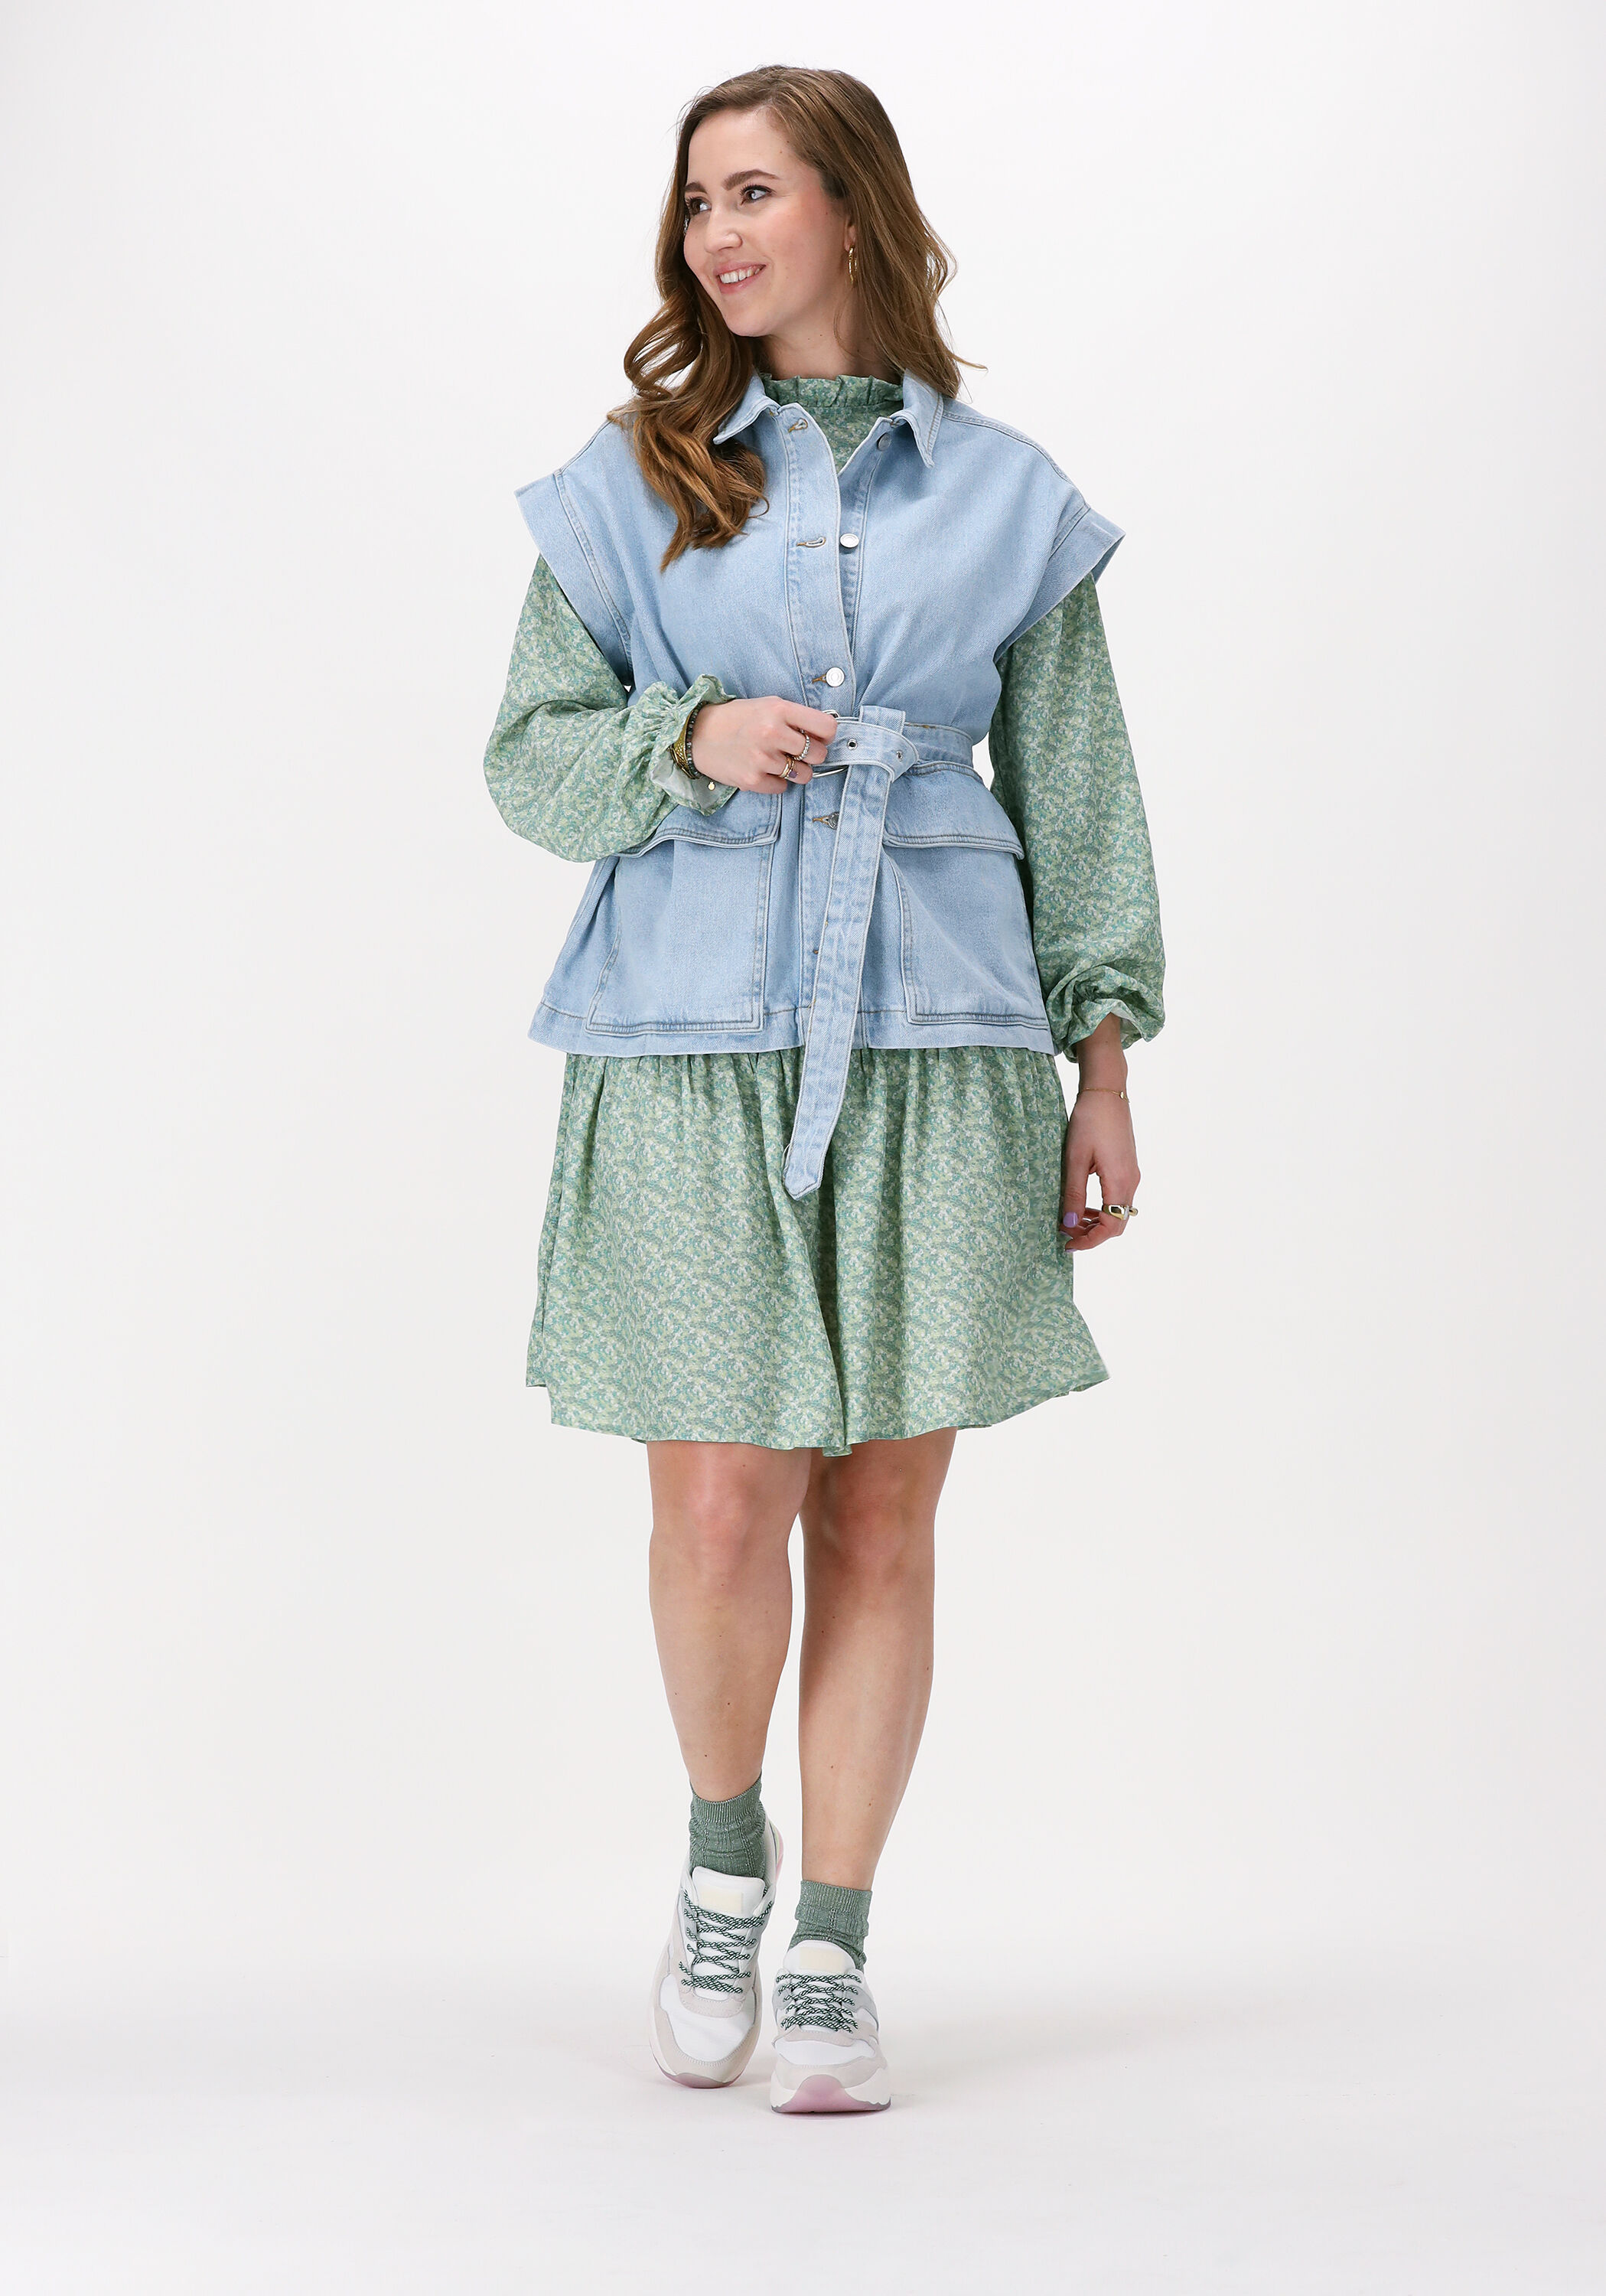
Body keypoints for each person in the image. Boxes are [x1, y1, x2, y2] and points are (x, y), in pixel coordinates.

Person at [482, 64, 1164, 2114]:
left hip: (940, 1045)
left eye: (755, 191)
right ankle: (723, 1865)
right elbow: (527, 761)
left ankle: (836, 1947)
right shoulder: (633, 482)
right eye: (697, 200)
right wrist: (685, 739)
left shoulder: (1009, 499)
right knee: (718, 1503)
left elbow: (1081, 794)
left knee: (881, 1512)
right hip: (687, 1043)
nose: (717, 234)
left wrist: (1101, 1057)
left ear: (852, 209)